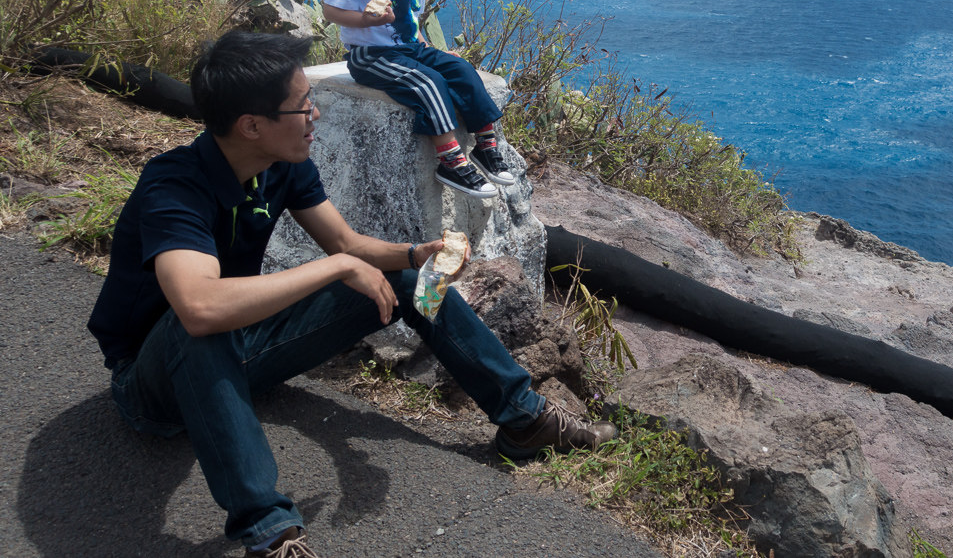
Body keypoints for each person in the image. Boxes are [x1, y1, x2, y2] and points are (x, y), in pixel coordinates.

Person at [87, 31, 616, 558]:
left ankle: (524, 420)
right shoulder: (173, 188)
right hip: (152, 386)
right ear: (251, 126)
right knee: (203, 326)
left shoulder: (280, 164)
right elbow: (200, 308)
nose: (314, 114)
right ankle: (270, 532)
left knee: (409, 283)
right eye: (302, 106)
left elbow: (345, 242)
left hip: (243, 351)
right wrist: (337, 268)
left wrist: (416, 255)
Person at [322, 0, 512, 200]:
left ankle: (485, 145)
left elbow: (413, 19)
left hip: (410, 49)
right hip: (371, 56)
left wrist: (433, 50)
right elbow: (330, 10)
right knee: (428, 83)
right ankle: (451, 161)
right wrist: (366, 20)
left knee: (463, 71)